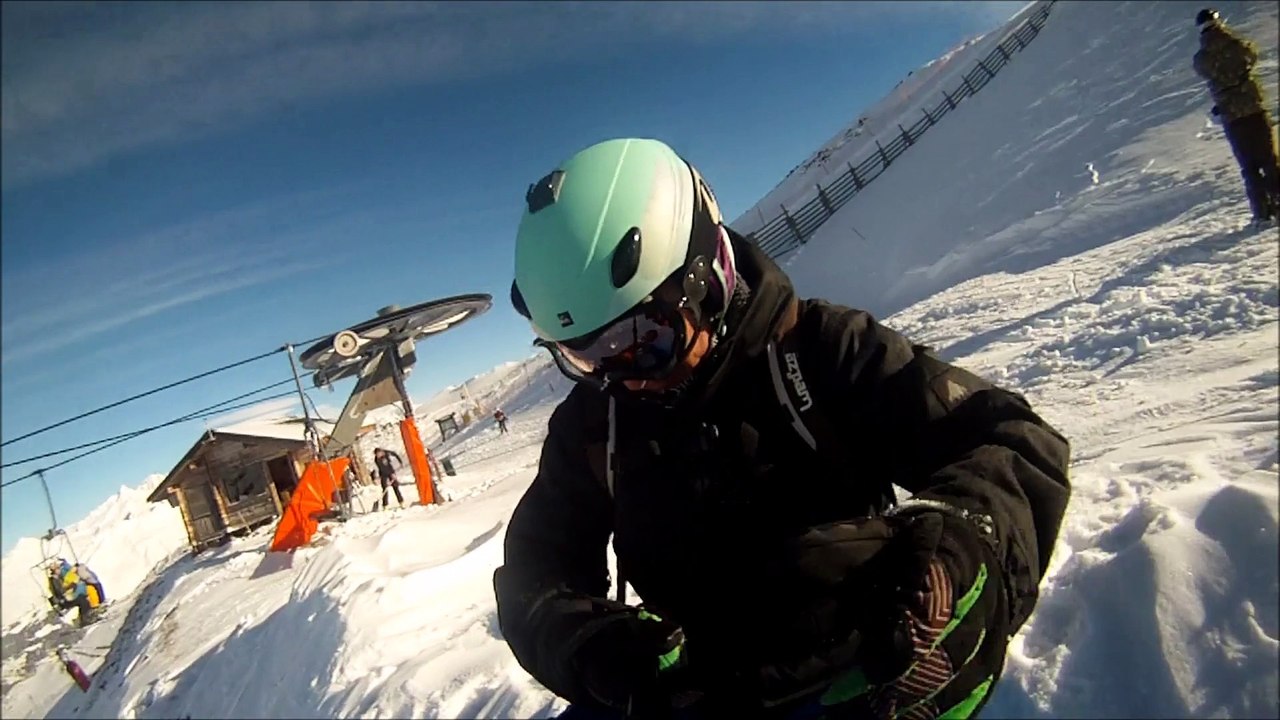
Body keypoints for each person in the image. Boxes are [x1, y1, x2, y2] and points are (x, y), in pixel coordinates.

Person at [493, 138, 1071, 719]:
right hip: (687, 687)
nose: (626, 380)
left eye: (647, 341)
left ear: (707, 278)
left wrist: (966, 544)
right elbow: (537, 567)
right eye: (586, 358)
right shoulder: (596, 421)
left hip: (844, 668)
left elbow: (1012, 440)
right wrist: (593, 648)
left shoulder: (823, 351)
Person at [1193, 7, 1279, 226]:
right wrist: (1226, 34)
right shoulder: (1234, 44)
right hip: (1253, 108)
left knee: (1249, 166)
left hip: (1231, 116)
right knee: (1269, 159)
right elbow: (1251, 54)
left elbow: (1203, 71)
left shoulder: (1202, 58)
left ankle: (1261, 212)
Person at [48, 559, 103, 627]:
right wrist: (72, 585)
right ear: (54, 571)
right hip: (65, 600)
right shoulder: (55, 580)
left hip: (70, 595)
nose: (59, 570)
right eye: (57, 569)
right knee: (82, 600)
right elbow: (61, 591)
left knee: (86, 593)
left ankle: (93, 611)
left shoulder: (60, 577)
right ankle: (85, 619)